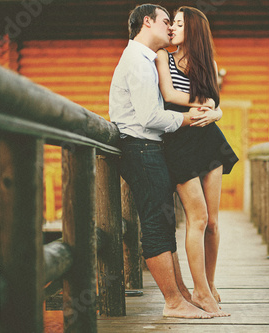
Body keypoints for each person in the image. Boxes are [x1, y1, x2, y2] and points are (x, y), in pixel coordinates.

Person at [109, 4, 215, 319]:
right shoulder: (138, 63)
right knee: (156, 223)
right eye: (166, 21)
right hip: (140, 147)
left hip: (146, 148)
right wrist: (188, 118)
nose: (170, 28)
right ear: (147, 22)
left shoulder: (143, 59)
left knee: (163, 222)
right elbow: (150, 117)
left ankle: (181, 295)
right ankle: (173, 302)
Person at [155, 6, 238, 317]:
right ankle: (201, 293)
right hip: (179, 142)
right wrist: (205, 105)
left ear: (193, 28)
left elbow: (215, 100)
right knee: (198, 219)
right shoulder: (164, 55)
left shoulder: (209, 63)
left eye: (178, 23)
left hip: (208, 141)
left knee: (213, 223)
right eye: (172, 23)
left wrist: (215, 110)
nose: (172, 27)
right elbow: (169, 93)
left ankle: (210, 286)